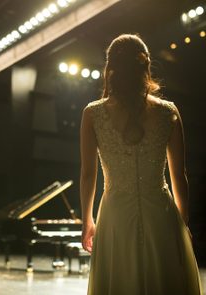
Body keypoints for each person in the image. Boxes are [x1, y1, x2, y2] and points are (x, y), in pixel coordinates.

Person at [80, 34, 203, 295]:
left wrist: (87, 221)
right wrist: (182, 223)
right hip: (161, 215)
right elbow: (179, 175)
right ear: (145, 66)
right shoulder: (169, 112)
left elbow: (88, 175)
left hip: (115, 217)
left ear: (110, 69)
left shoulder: (93, 114)